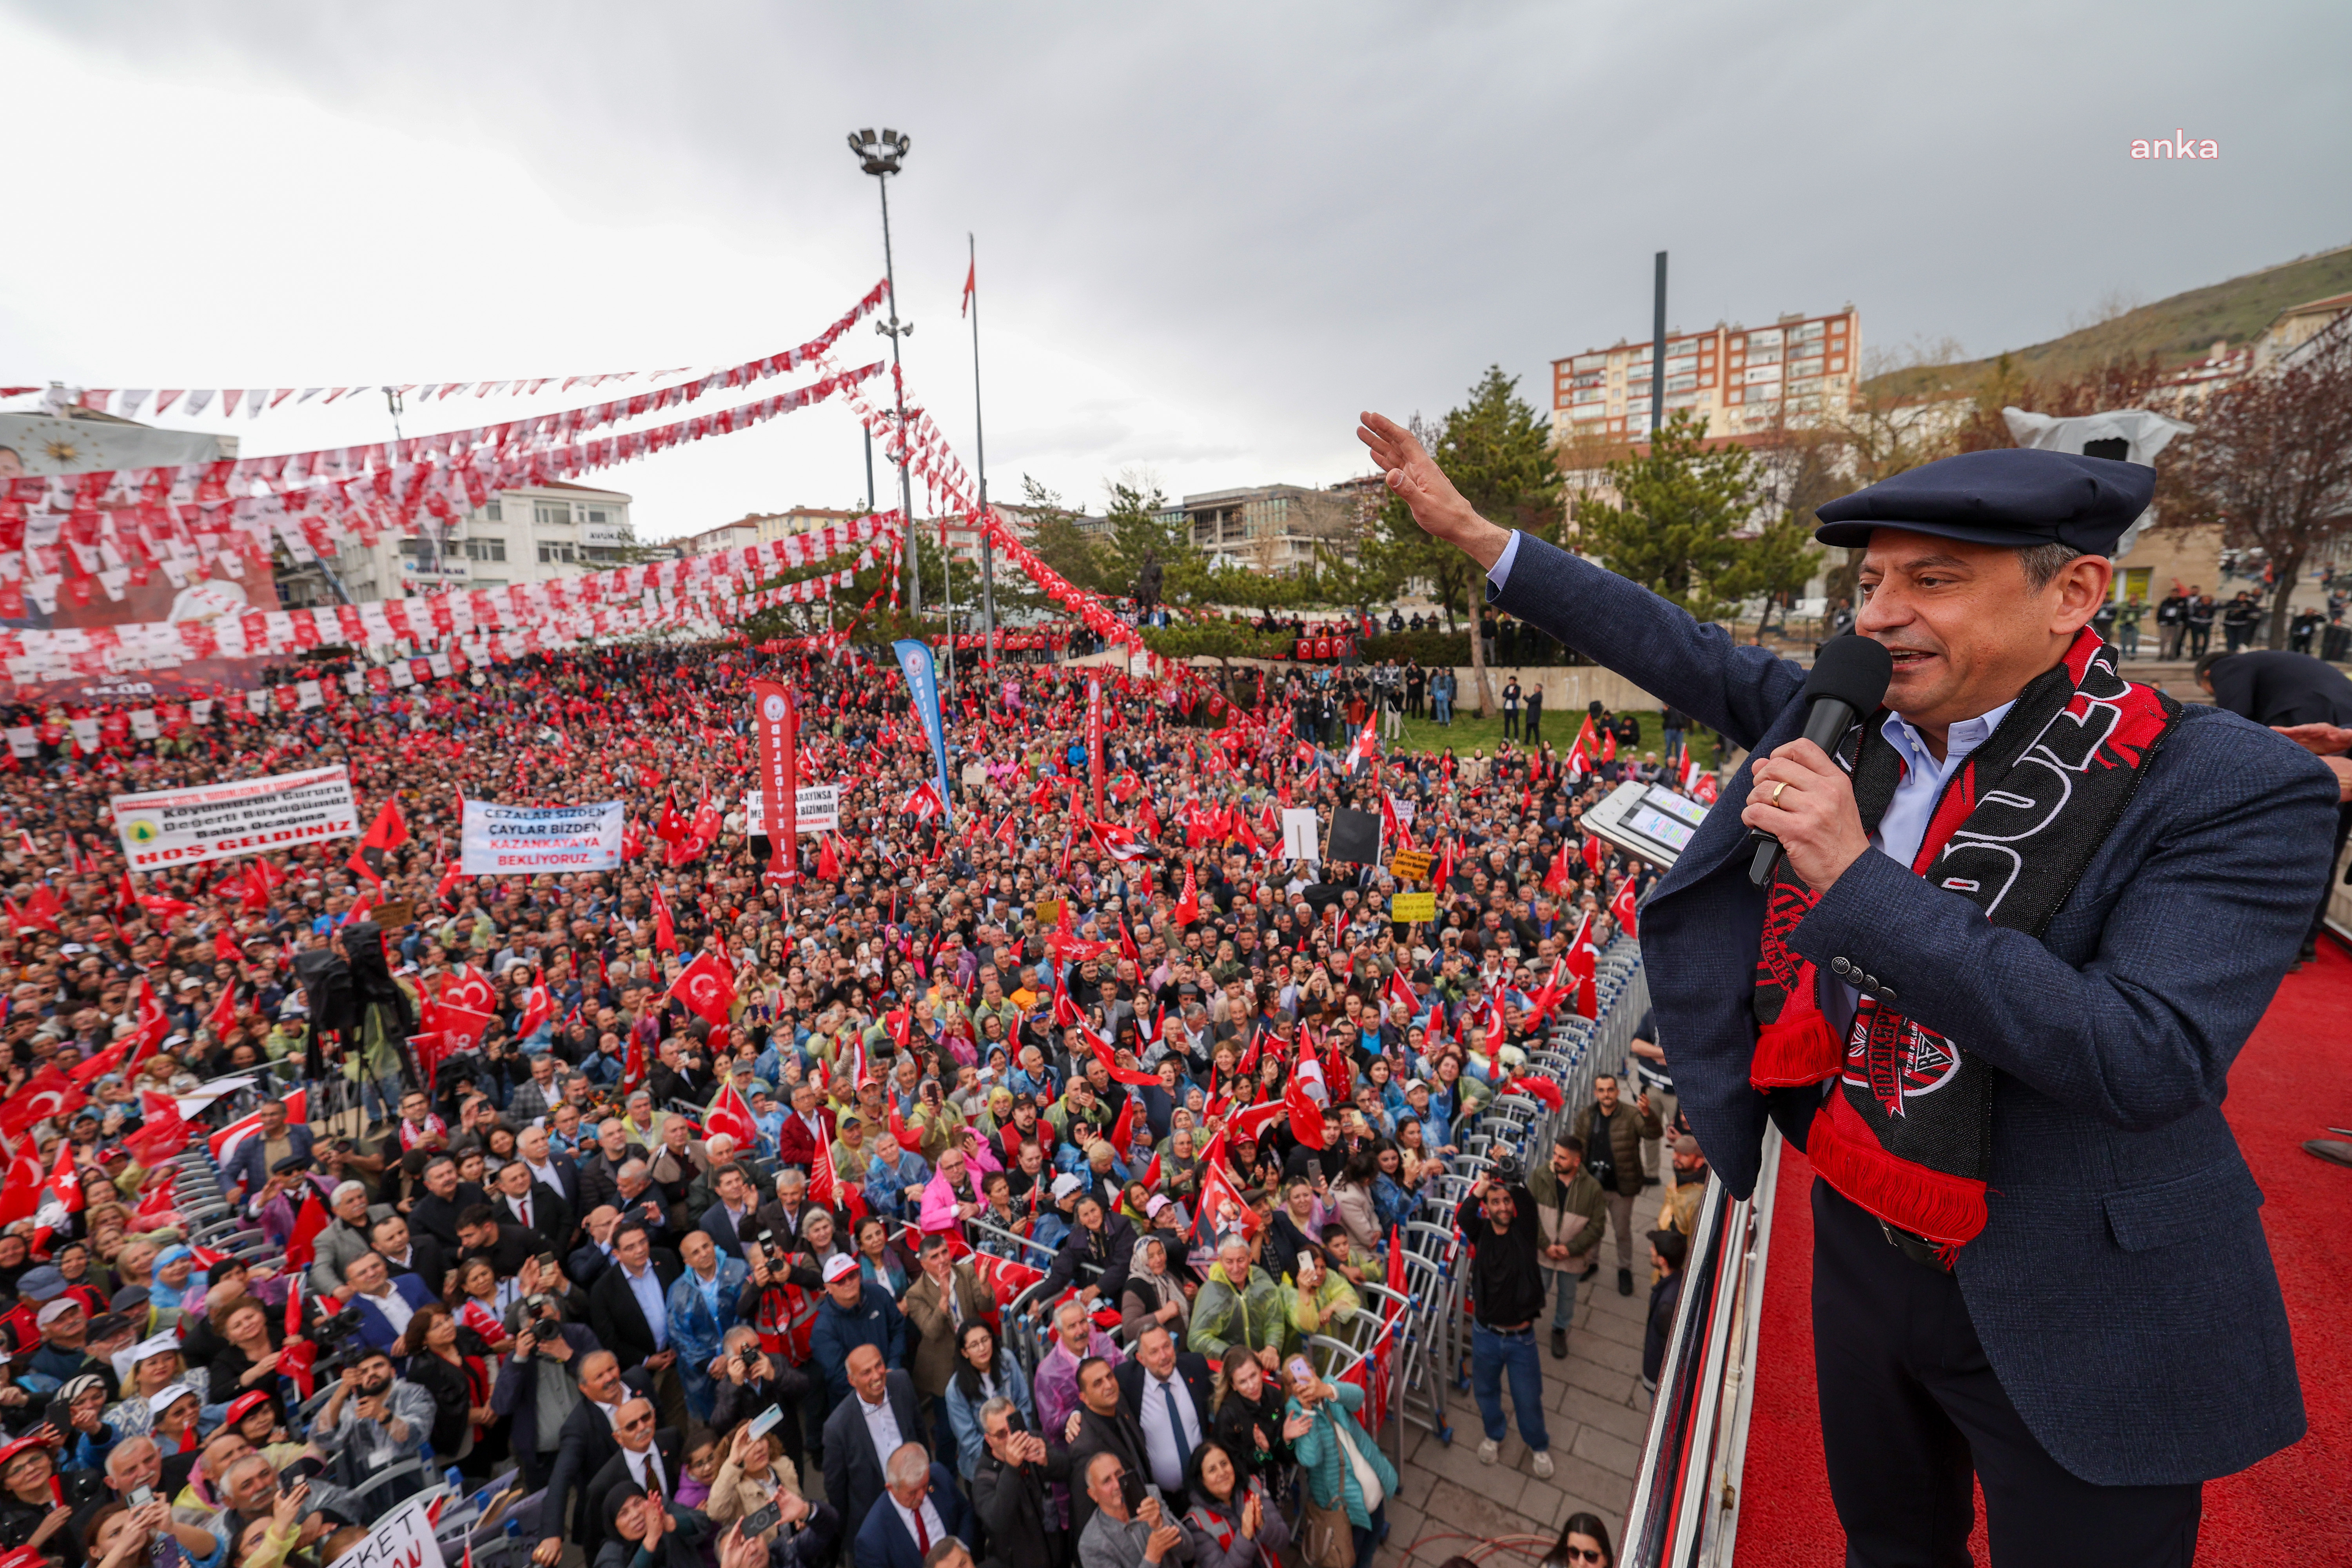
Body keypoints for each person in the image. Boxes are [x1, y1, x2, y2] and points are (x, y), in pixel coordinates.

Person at [1367, 417, 2332, 1565]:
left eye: (1931, 581)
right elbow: (1673, 644)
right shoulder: (1849, 718)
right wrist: (1476, 535)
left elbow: (2141, 1057)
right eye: (1869, 580)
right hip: (1866, 1241)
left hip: (2077, 1282)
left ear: (2073, 590)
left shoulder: (2225, 782)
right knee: (1887, 1541)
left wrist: (1856, 879)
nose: (1875, 614)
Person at [2194, 647, 2352, 966]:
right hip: (2346, 728)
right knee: (2328, 841)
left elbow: (2233, 722)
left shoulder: (2228, 665)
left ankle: (2280, 946)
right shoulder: (2281, 665)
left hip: (2303, 721)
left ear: (2208, 675)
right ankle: (2305, 942)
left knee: (2286, 837)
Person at [1287, 1363, 1394, 1568]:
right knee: (1349, 1555)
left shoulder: (1327, 1384)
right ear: (1289, 1389)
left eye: (1307, 1369)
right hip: (1345, 1506)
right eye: (1295, 1379)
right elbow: (1311, 1458)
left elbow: (1358, 1398)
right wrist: (1308, 1411)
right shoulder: (1295, 1411)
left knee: (1372, 1540)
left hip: (1373, 1486)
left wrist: (1328, 1391)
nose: (1304, 1379)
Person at [821, 1345, 928, 1545]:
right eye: (866, 1372)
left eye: (879, 1365)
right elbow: (836, 1490)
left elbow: (920, 1432)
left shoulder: (902, 1382)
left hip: (919, 1496)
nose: (877, 1375)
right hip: (878, 1512)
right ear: (852, 1381)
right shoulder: (837, 1428)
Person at [1570, 1074, 1659, 1298]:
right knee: (1592, 1229)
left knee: (1622, 1232)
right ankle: (1591, 1263)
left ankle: (1625, 1269)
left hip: (1621, 1187)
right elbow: (1578, 1149)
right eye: (1602, 1090)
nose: (1606, 1095)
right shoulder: (1587, 1116)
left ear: (1617, 1092)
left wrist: (1648, 1115)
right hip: (1593, 1187)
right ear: (1596, 1093)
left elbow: (1653, 1133)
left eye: (1610, 1090)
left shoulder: (1631, 1114)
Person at [1113, 1324, 1214, 1514]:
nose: (1164, 1356)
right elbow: (1097, 1391)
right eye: (1154, 1352)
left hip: (1206, 1486)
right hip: (1164, 1500)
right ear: (1141, 1359)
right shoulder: (1127, 1379)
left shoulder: (1195, 1365)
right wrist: (1076, 1415)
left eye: (1166, 1346)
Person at [1526, 1131, 1605, 1359]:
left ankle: (1559, 1330)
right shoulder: (1540, 1177)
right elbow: (1529, 1215)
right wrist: (1545, 1245)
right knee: (1536, 1290)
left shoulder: (1592, 1189)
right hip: (1543, 1254)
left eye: (1562, 1157)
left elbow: (1597, 1227)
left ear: (1576, 1161)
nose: (1555, 1161)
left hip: (1572, 1258)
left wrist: (1570, 1249)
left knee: (1567, 1296)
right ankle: (1525, 1326)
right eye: (1555, 1155)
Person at [970, 1396, 1071, 1568]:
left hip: (1057, 1548)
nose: (1011, 1438)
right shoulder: (983, 1477)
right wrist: (1011, 1468)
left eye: (1014, 1425)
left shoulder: (1034, 1439)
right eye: (1002, 1434)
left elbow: (1067, 1470)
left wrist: (1048, 1460)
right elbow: (997, 1520)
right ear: (989, 1440)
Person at [852, 1443, 971, 1568]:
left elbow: (966, 1512)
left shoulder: (939, 1476)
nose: (921, 1496)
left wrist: (962, 1553)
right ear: (891, 1488)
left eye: (925, 1486)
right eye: (912, 1492)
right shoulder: (871, 1540)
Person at [944, 1322, 1034, 1482]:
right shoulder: (956, 1390)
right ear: (965, 1352)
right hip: (986, 1468)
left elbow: (1024, 1404)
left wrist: (1019, 1445)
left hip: (1022, 1451)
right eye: (974, 1345)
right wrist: (1006, 1456)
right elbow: (970, 1441)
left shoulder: (1007, 1360)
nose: (982, 1348)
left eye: (985, 1340)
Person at [1178, 1439, 1287, 1568]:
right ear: (1202, 1481)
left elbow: (1284, 1542)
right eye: (1212, 1470)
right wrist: (1246, 1536)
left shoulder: (1253, 1488)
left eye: (1224, 1464)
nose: (1222, 1473)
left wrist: (1263, 1525)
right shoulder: (1196, 1523)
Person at [1074, 1452, 1190, 1568]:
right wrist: (1152, 1558)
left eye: (1119, 1474)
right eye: (1107, 1481)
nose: (1117, 1485)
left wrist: (1162, 1523)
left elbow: (1188, 1552)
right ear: (1093, 1495)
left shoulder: (1149, 1496)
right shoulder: (1091, 1544)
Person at [1640, 1230, 1686, 1394]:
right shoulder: (1679, 1281)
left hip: (1657, 1376)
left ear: (1662, 1261)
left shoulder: (1667, 1304)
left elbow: (1666, 1346)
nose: (1650, 1250)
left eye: (1654, 1249)